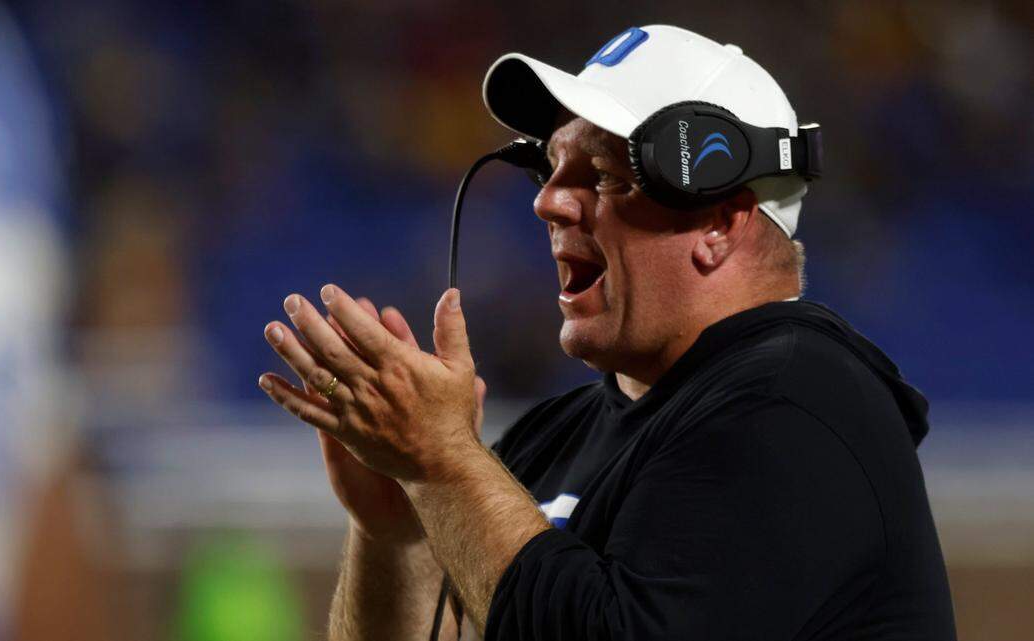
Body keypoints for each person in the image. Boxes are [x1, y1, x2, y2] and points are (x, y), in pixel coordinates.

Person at [257, 25, 956, 640]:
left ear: (718, 222)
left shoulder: (799, 403)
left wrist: (442, 462)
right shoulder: (553, 437)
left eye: (605, 175)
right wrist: (396, 528)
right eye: (550, 167)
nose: (547, 200)